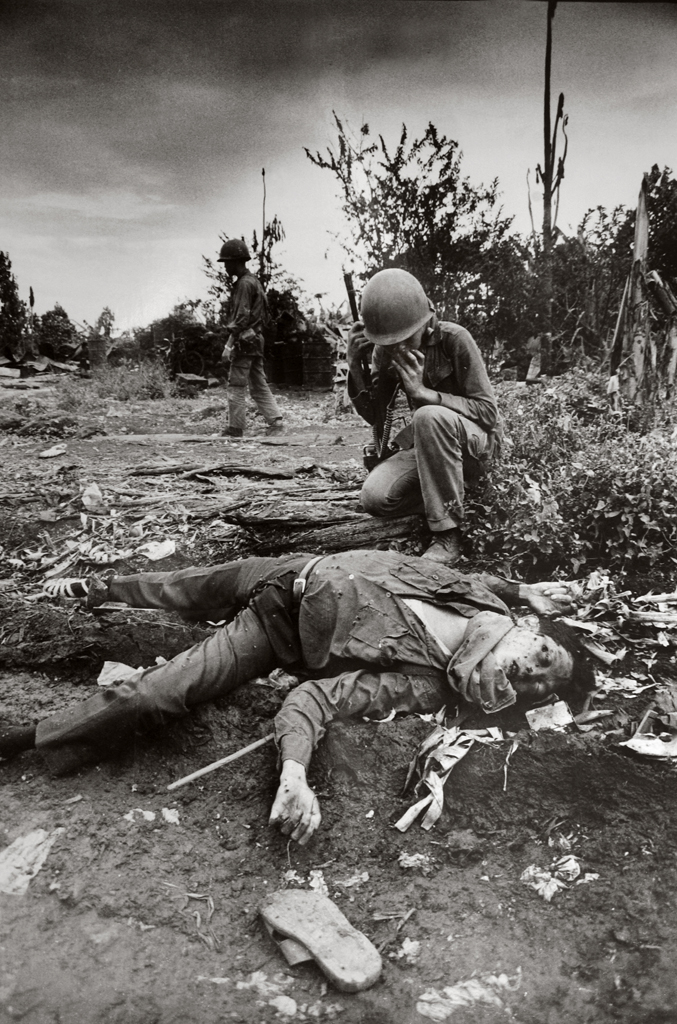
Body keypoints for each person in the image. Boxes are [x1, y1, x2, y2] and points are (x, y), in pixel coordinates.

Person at [5, 552, 594, 846]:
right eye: (543, 657)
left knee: (152, 699)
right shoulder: (484, 603)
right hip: (291, 568)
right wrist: (523, 588)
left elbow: (316, 697)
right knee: (177, 586)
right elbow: (457, 572)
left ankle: (29, 740)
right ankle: (97, 586)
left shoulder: (427, 684)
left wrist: (294, 774)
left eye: (538, 686)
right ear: (527, 630)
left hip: (274, 629)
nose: (529, 675)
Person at [347, 268, 499, 566]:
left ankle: (448, 536)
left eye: (406, 338)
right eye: (390, 343)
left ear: (426, 321)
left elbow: (488, 414)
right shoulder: (384, 352)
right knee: (375, 497)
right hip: (432, 452)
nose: (398, 348)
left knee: (428, 416)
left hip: (477, 448)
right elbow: (376, 419)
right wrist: (354, 366)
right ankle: (447, 499)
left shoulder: (455, 340)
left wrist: (424, 394)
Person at [217, 238, 283, 437]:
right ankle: (276, 422)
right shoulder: (254, 281)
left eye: (227, 262)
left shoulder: (244, 284)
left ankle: (235, 428)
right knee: (258, 384)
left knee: (236, 385)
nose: (226, 267)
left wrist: (228, 346)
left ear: (236, 261)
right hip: (256, 339)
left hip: (245, 341)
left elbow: (242, 317)